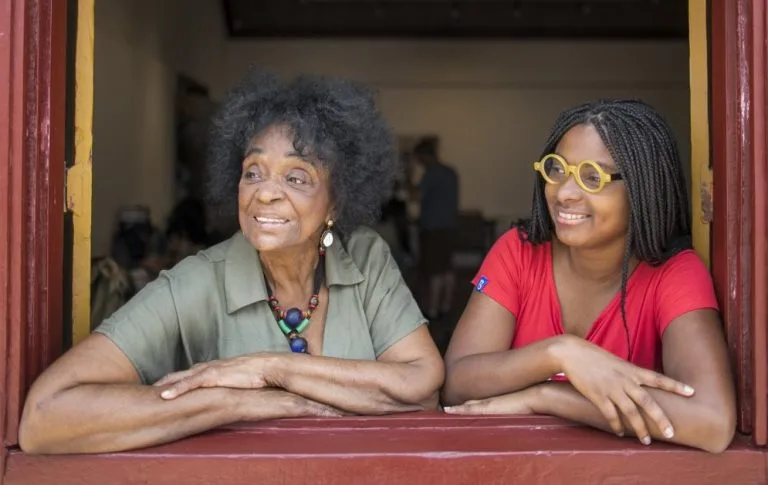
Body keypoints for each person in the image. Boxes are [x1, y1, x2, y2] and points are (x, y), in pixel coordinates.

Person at [19, 70, 444, 454]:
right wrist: (233, 401)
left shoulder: (364, 257)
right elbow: (45, 417)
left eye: (296, 177)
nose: (265, 192)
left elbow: (423, 389)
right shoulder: (198, 281)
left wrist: (268, 369)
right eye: (253, 172)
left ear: (337, 200)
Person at [441, 100, 736, 453]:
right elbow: (457, 382)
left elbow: (711, 422)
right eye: (557, 169)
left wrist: (548, 397)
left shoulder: (674, 275)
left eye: (593, 177)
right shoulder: (518, 253)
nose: (565, 192)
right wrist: (561, 352)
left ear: (643, 189)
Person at [414, 137, 460, 320]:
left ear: (424, 157)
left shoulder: (431, 174)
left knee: (434, 270)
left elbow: (417, 196)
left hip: (433, 229)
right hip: (450, 226)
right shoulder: (451, 173)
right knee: (447, 268)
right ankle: (446, 306)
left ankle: (432, 310)